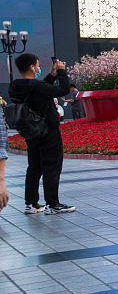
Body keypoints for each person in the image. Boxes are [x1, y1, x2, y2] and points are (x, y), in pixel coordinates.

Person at [10, 53, 74, 215]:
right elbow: (63, 89)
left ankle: (31, 203)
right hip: (48, 131)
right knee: (52, 167)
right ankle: (53, 204)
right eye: (37, 65)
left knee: (34, 167)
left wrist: (51, 76)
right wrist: (61, 72)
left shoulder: (16, 85)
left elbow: (40, 88)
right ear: (32, 67)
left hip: (31, 131)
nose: (38, 68)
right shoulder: (37, 87)